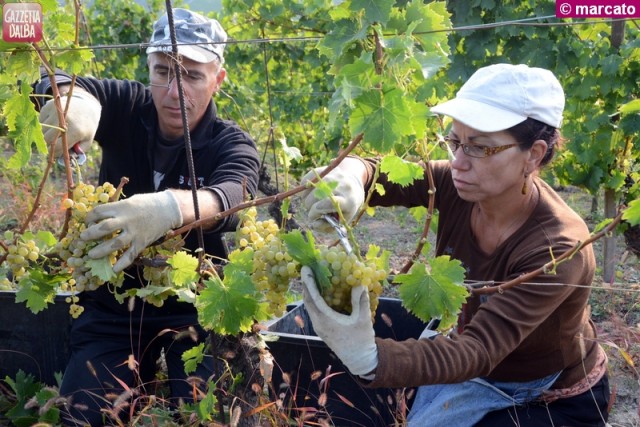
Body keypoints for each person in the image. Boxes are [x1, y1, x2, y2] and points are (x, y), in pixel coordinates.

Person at [299, 63, 610, 426]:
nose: (458, 162)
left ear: (534, 154)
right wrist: (352, 175)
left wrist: (369, 357)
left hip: (545, 395)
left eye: (479, 148)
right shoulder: (459, 184)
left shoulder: (558, 247)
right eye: (455, 142)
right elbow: (382, 171)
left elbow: (479, 349)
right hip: (477, 366)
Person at [35, 8, 260, 425]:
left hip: (198, 307)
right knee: (83, 415)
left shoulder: (232, 144)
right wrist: (73, 100)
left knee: (207, 414)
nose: (175, 91)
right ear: (149, 69)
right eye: (163, 72)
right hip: (113, 305)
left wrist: (167, 208)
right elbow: (54, 79)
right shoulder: (128, 105)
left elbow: (233, 197)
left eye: (192, 75)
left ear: (218, 79)